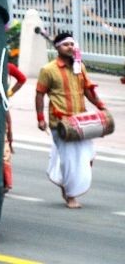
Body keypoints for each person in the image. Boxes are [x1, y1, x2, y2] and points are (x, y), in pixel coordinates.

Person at [36, 32, 108, 209]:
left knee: (87, 155)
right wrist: (40, 118)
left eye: (71, 44)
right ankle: (71, 196)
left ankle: (66, 182)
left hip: (80, 122)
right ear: (57, 47)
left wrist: (101, 105)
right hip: (60, 123)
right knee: (69, 160)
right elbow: (40, 94)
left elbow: (88, 90)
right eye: (65, 44)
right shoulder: (48, 70)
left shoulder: (79, 66)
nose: (70, 47)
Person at [3, 62, 27, 192]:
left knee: (6, 137)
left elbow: (22, 79)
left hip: (2, 105)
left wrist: (9, 93)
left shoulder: (7, 66)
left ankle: (6, 182)